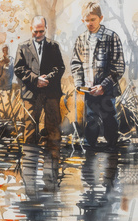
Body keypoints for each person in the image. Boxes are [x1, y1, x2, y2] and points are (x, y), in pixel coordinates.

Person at [70, 1, 125, 150]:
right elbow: (76, 64)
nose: (89, 23)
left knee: (109, 118)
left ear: (101, 18)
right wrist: (79, 84)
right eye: (86, 20)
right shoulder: (81, 39)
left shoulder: (111, 37)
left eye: (93, 19)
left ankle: (112, 149)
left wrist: (103, 86)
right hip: (88, 90)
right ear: (83, 21)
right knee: (91, 118)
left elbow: (118, 67)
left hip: (107, 90)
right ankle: (89, 149)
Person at [14, 16, 65, 159]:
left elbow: (60, 67)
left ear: (46, 29)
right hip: (31, 93)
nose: (38, 35)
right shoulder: (22, 47)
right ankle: (29, 163)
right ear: (31, 29)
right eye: (35, 32)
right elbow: (18, 69)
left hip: (51, 93)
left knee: (54, 127)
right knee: (30, 129)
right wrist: (35, 80)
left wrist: (47, 79)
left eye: (41, 32)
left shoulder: (54, 46)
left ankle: (54, 162)